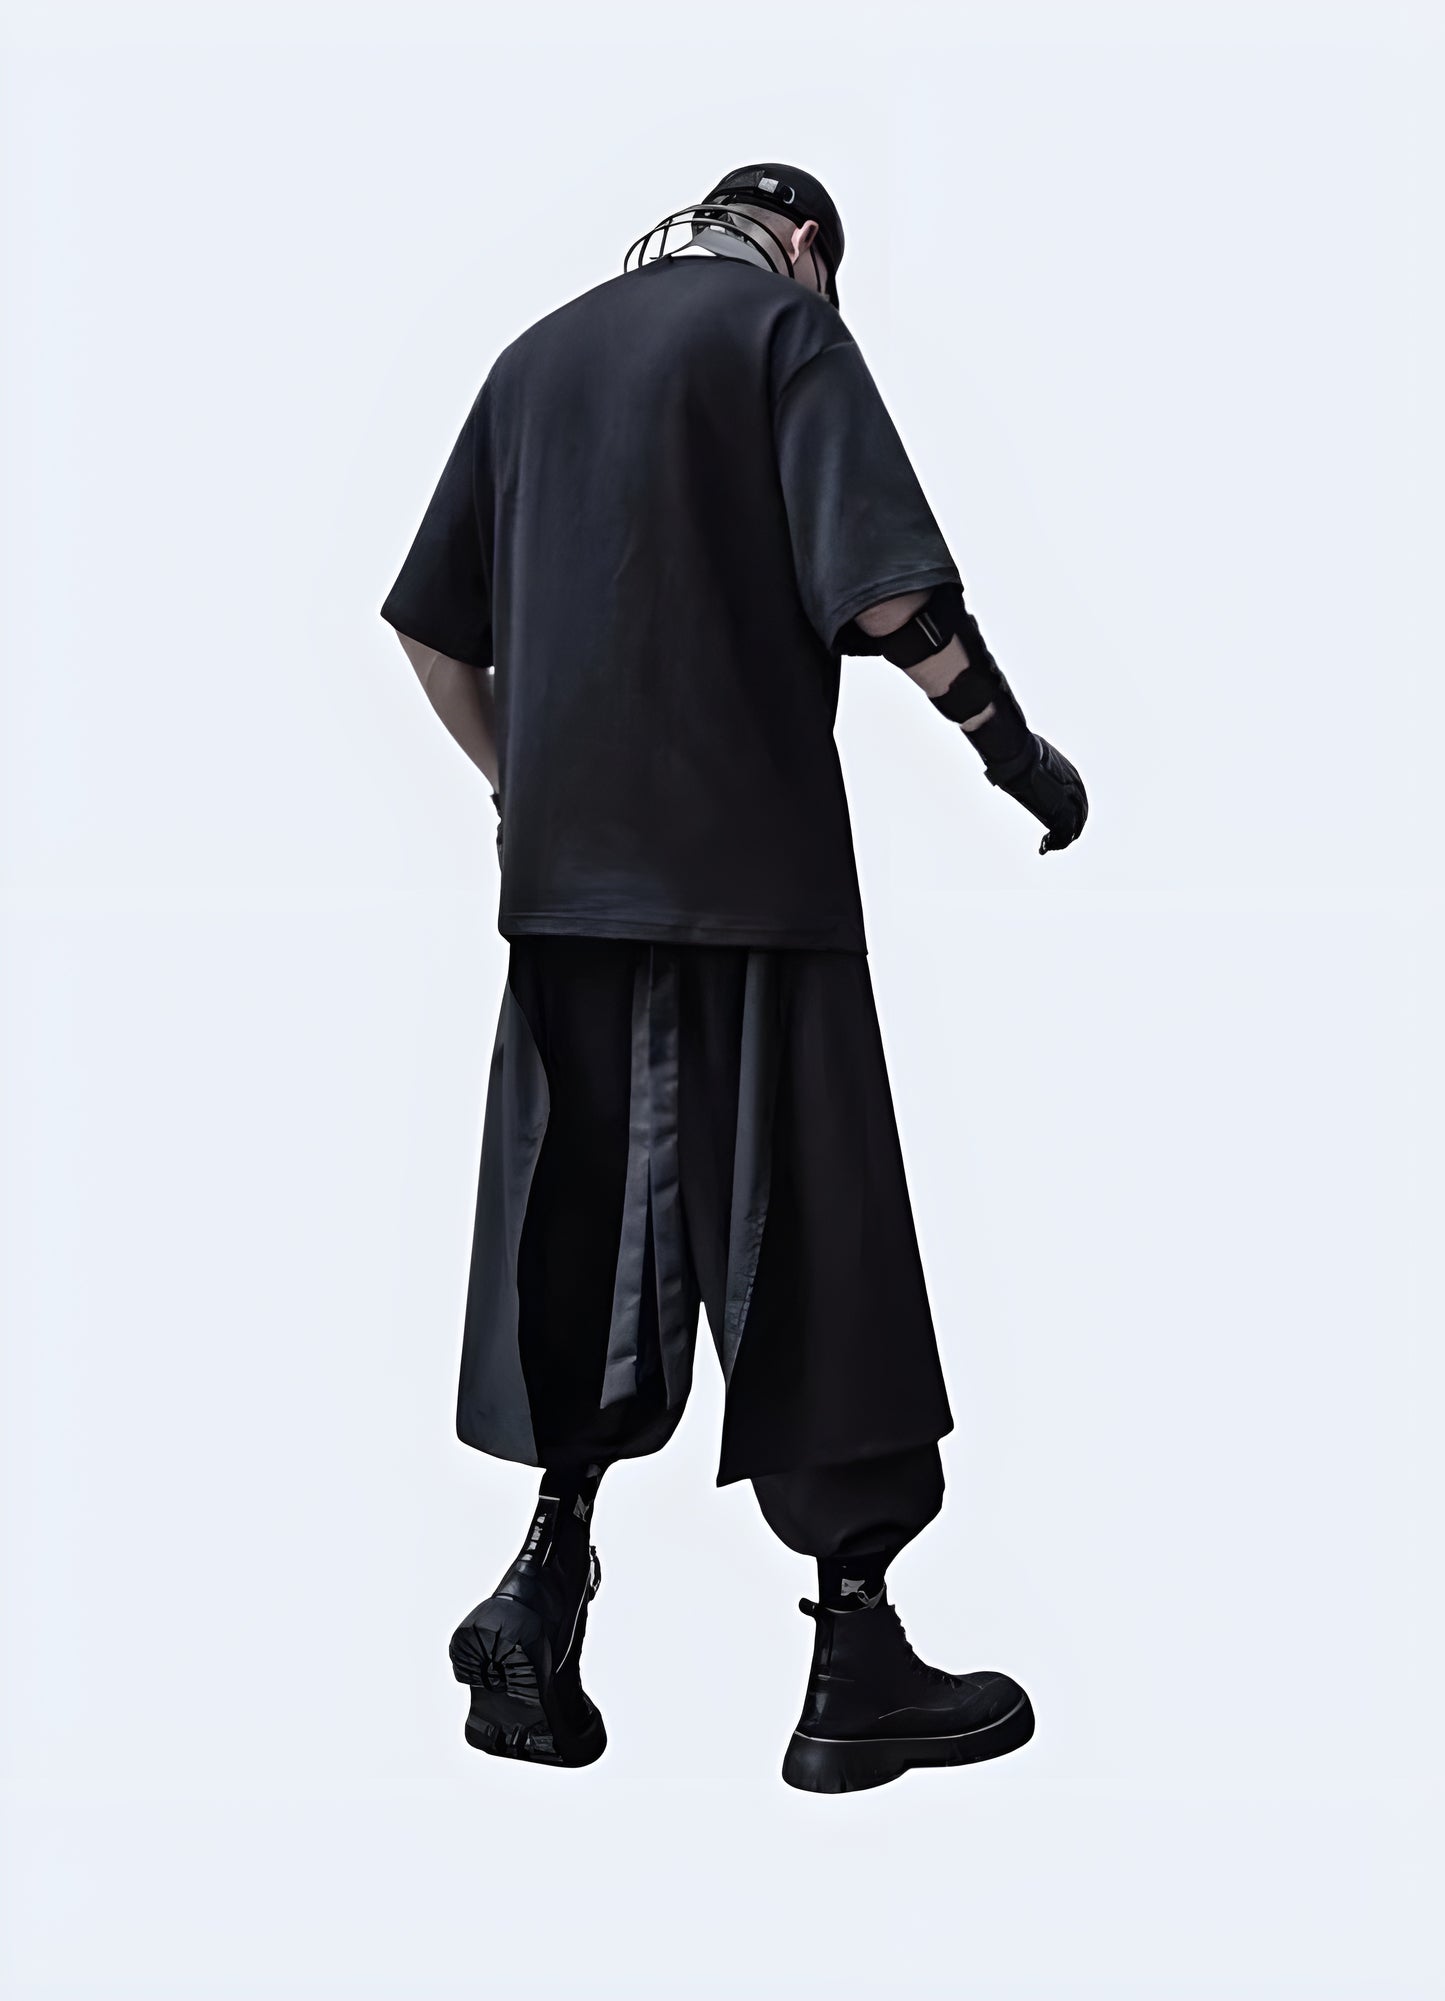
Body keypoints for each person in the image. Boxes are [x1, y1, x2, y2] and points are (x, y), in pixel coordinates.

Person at [378, 162, 1087, 1794]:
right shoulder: (783, 332)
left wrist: (523, 793)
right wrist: (1013, 753)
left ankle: (536, 1594)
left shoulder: (534, 356)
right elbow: (893, 595)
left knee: (586, 1227)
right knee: (808, 1236)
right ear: (807, 245)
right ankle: (854, 1663)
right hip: (752, 880)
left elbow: (430, 633)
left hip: (567, 895)